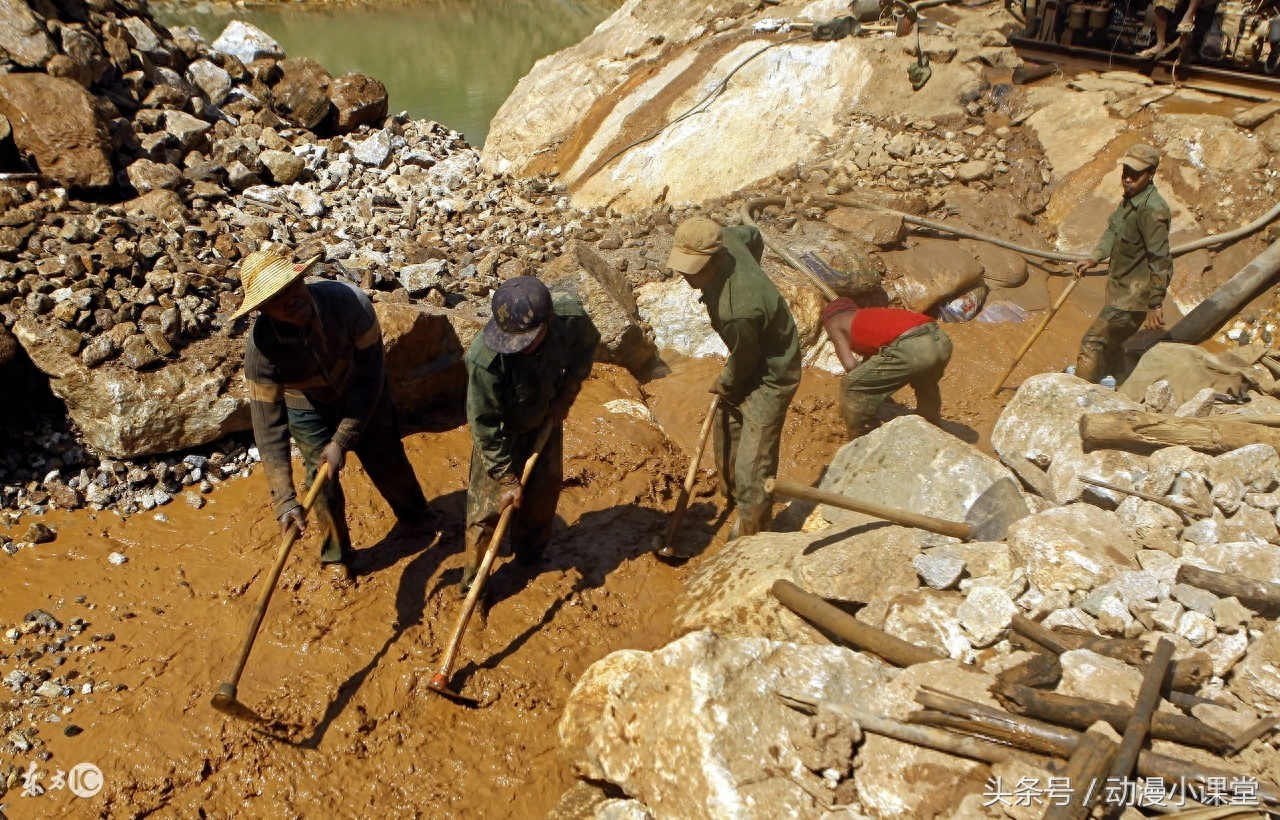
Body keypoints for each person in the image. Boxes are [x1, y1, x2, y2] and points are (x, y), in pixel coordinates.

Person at [237, 248, 434, 589]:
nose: (288, 301)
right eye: (275, 299)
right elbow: (268, 428)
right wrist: (284, 499)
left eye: (290, 288)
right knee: (321, 478)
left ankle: (417, 519)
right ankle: (336, 555)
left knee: (386, 457)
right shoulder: (261, 350)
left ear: (301, 279)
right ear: (262, 310)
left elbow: (372, 376)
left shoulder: (349, 304)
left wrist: (342, 439)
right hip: (307, 405)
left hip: (362, 388)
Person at [667, 217, 801, 539]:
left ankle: (752, 534)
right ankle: (732, 495)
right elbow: (754, 234)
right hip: (750, 348)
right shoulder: (728, 238)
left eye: (694, 269)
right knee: (726, 425)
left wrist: (726, 381)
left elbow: (745, 360)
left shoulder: (737, 308)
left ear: (715, 259)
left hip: (773, 371)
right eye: (683, 266)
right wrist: (752, 271)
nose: (685, 275)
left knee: (753, 464)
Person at [463, 276, 599, 591]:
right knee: (486, 513)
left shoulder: (570, 320)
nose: (515, 349)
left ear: (547, 323)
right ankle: (474, 587)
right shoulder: (485, 360)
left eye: (525, 341)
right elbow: (482, 424)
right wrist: (506, 478)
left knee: (543, 493)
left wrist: (566, 396)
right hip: (501, 433)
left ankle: (530, 559)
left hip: (546, 418)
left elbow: (586, 349)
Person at [1071, 143, 1172, 384]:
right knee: (1112, 345)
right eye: (1125, 172)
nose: (1127, 178)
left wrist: (1155, 303)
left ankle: (1076, 397)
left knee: (1092, 342)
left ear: (1151, 175)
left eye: (1135, 175)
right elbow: (1113, 231)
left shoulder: (1152, 210)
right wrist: (1094, 257)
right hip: (1119, 290)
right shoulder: (1130, 199)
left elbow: (1161, 259)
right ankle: (1119, 385)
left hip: (1132, 298)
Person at [820, 297, 952, 439]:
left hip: (913, 346)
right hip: (940, 339)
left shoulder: (833, 322)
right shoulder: (868, 317)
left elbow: (850, 365)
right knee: (925, 382)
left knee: (852, 385)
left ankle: (859, 440)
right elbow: (877, 359)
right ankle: (931, 428)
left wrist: (869, 390)